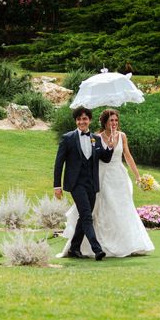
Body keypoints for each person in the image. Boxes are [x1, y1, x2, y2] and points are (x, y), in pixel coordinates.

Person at [58, 108, 155, 258]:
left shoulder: (122, 136)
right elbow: (98, 159)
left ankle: (128, 244)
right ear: (104, 122)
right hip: (101, 177)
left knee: (122, 209)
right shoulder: (96, 137)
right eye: (111, 120)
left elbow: (127, 156)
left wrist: (138, 176)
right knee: (94, 212)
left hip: (119, 177)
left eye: (116, 120)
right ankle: (97, 248)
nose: (114, 123)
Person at [53, 107, 114, 261]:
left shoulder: (96, 139)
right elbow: (59, 163)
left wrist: (111, 146)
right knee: (87, 216)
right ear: (76, 121)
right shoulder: (68, 138)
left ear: (90, 121)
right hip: (75, 183)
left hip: (92, 183)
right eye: (79, 119)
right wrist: (57, 185)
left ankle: (74, 248)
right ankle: (97, 249)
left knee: (84, 216)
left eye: (85, 119)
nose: (82, 122)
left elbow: (105, 159)